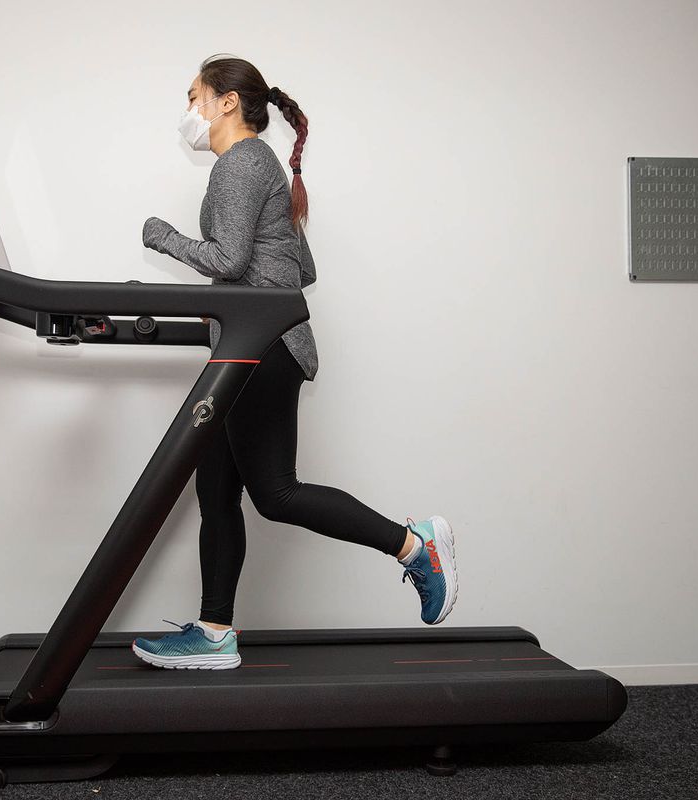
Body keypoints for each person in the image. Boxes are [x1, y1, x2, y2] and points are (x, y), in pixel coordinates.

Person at [134, 54, 457, 670]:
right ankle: (214, 632)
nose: (189, 111)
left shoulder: (240, 164)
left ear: (227, 101)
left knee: (276, 493)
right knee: (217, 490)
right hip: (252, 343)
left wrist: (161, 234)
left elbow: (228, 261)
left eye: (194, 96)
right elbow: (300, 266)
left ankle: (417, 547)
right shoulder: (264, 168)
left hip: (263, 348)